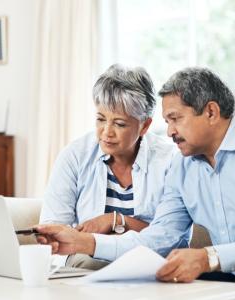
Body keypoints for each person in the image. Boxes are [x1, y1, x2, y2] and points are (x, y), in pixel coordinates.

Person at [36, 67, 235, 299]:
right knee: (181, 286)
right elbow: (160, 238)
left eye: (175, 119)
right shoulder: (182, 166)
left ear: (211, 112)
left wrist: (209, 257)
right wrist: (85, 243)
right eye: (167, 121)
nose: (168, 132)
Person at [39, 64, 186, 269]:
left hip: (148, 263)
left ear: (144, 125)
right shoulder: (74, 156)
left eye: (119, 124)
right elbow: (53, 230)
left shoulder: (170, 161)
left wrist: (115, 220)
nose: (106, 132)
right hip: (87, 262)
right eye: (100, 119)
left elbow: (170, 237)